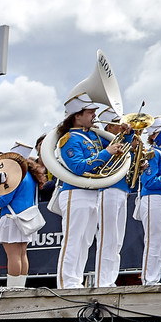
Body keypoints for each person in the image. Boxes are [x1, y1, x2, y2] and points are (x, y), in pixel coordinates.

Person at [54, 96, 123, 290]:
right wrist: (107, 153)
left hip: (93, 193)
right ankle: (67, 284)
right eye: (90, 113)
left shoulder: (92, 136)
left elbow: (115, 145)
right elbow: (78, 166)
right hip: (75, 193)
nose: (94, 115)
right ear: (77, 116)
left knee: (85, 241)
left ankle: (75, 281)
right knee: (73, 240)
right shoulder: (69, 138)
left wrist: (124, 134)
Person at [134, 119, 161, 287]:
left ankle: (153, 278)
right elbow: (149, 182)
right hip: (153, 198)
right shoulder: (151, 152)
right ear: (156, 134)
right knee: (154, 240)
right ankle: (149, 280)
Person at [0, 142, 42, 289]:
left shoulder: (16, 174)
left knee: (13, 254)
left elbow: (5, 199)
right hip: (25, 217)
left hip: (12, 218)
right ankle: (19, 286)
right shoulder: (30, 175)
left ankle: (13, 288)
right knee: (22, 253)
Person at [94, 108, 132, 287]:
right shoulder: (101, 142)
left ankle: (110, 279)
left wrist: (130, 137)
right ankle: (102, 280)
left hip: (122, 190)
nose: (122, 127)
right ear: (109, 126)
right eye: (118, 124)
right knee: (107, 237)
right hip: (107, 190)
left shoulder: (122, 140)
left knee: (117, 239)